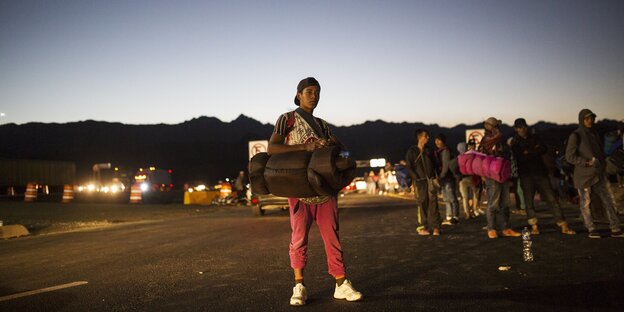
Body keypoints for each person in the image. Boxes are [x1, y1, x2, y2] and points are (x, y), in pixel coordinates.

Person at [267, 77, 362, 306]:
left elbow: (345, 154)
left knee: (332, 238)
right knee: (298, 238)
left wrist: (335, 146)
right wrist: (305, 147)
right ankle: (299, 285)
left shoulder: (323, 125)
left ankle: (341, 284)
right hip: (298, 189)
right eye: (309, 91)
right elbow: (272, 148)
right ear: (298, 94)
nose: (314, 95)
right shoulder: (287, 119)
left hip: (325, 190)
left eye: (317, 92)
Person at [510, 118, 575, 235]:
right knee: (529, 202)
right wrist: (534, 150)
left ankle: (563, 224)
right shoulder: (515, 142)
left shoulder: (535, 137)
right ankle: (534, 226)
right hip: (525, 175)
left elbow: (544, 149)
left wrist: (528, 152)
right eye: (519, 127)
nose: (522, 129)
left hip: (540, 173)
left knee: (552, 199)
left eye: (524, 126)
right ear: (516, 129)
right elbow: (521, 157)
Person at [564, 109, 623, 238]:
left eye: (592, 118)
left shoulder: (594, 133)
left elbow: (600, 152)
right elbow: (569, 156)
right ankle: (591, 228)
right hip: (583, 176)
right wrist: (585, 162)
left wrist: (603, 164)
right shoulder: (576, 135)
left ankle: (615, 228)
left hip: (598, 174)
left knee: (608, 200)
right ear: (581, 120)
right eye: (587, 119)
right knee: (585, 203)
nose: (590, 121)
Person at [479, 117, 521, 239]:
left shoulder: (499, 140)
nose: (497, 128)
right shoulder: (488, 139)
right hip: (492, 175)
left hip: (503, 173)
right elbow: (498, 136)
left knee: (505, 203)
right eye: (495, 126)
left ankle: (506, 228)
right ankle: (491, 228)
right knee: (494, 203)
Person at [406, 129, 442, 236]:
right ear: (420, 137)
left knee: (433, 203)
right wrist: (415, 178)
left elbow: (435, 164)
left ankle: (436, 227)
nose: (428, 138)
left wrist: (436, 176)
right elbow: (409, 167)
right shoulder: (411, 151)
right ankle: (423, 227)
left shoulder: (429, 150)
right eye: (426, 136)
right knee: (422, 203)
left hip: (430, 180)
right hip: (420, 182)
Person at [434, 134, 460, 225]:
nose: (436, 142)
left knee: (452, 197)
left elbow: (445, 166)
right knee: (446, 198)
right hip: (443, 178)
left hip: (448, 177)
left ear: (443, 141)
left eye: (438, 140)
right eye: (436, 140)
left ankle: (455, 216)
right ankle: (449, 216)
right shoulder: (439, 151)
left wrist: (440, 176)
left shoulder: (445, 151)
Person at [457, 142, 480, 219]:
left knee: (465, 197)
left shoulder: (458, 157)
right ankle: (473, 210)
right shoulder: (471, 156)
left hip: (462, 179)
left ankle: (467, 213)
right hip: (472, 177)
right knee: (475, 195)